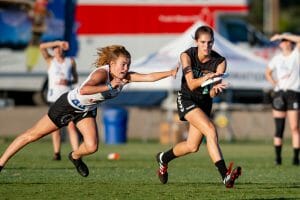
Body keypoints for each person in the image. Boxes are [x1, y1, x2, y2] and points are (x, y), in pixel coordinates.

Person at [0, 45, 178, 177]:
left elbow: (148, 77)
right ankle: (1, 162)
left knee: (92, 147)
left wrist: (170, 72)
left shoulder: (124, 77)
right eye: (123, 64)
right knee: (32, 135)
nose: (126, 69)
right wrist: (109, 85)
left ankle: (75, 155)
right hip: (68, 105)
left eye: (128, 65)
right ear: (112, 64)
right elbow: (84, 91)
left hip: (86, 110)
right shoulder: (102, 75)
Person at [155, 26, 242, 188]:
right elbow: (191, 84)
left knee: (192, 146)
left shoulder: (220, 62)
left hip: (204, 103)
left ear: (213, 42)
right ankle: (225, 176)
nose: (206, 46)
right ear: (196, 42)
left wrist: (215, 89)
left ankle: (163, 158)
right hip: (187, 98)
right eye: (202, 42)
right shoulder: (187, 55)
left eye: (210, 43)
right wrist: (207, 77)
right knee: (210, 130)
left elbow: (211, 94)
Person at [40, 40, 79, 161]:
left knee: (71, 126)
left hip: (68, 98)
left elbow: (75, 78)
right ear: (53, 49)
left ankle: (77, 153)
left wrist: (68, 82)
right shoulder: (50, 61)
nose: (59, 50)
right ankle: (57, 153)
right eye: (56, 48)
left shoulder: (70, 61)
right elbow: (41, 47)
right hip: (54, 99)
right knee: (55, 127)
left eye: (60, 48)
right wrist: (57, 42)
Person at [265, 33, 300, 165]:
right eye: (282, 41)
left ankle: (296, 157)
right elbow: (267, 72)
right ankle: (277, 158)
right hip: (280, 94)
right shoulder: (277, 58)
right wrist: (274, 83)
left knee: (295, 127)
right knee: (279, 127)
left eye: (287, 41)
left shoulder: (296, 54)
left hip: (294, 93)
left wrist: (284, 35)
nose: (285, 43)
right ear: (280, 44)